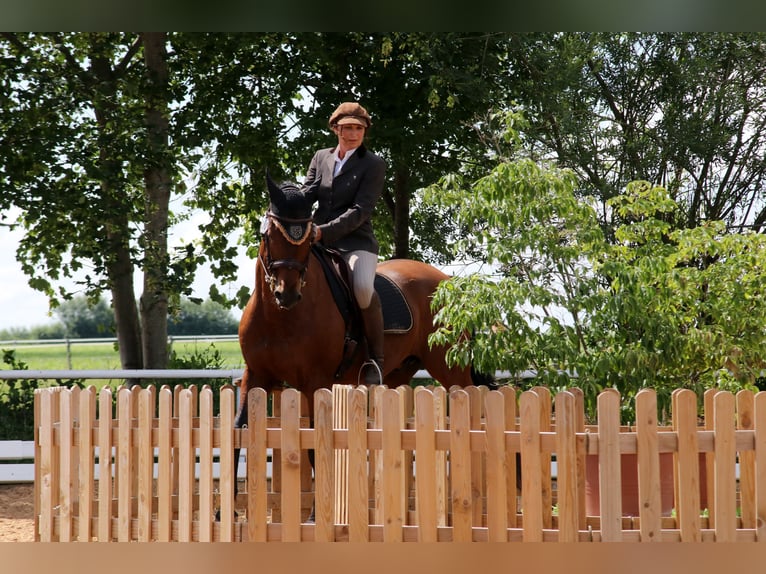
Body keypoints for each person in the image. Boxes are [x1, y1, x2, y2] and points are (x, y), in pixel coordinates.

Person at [301, 102, 386, 385]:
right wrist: (285, 206)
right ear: (336, 129)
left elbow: (361, 211)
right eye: (348, 127)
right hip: (317, 239)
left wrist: (323, 232)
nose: (353, 133)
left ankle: (375, 359)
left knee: (362, 289)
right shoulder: (321, 157)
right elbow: (307, 192)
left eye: (359, 128)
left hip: (355, 242)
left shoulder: (373, 164)